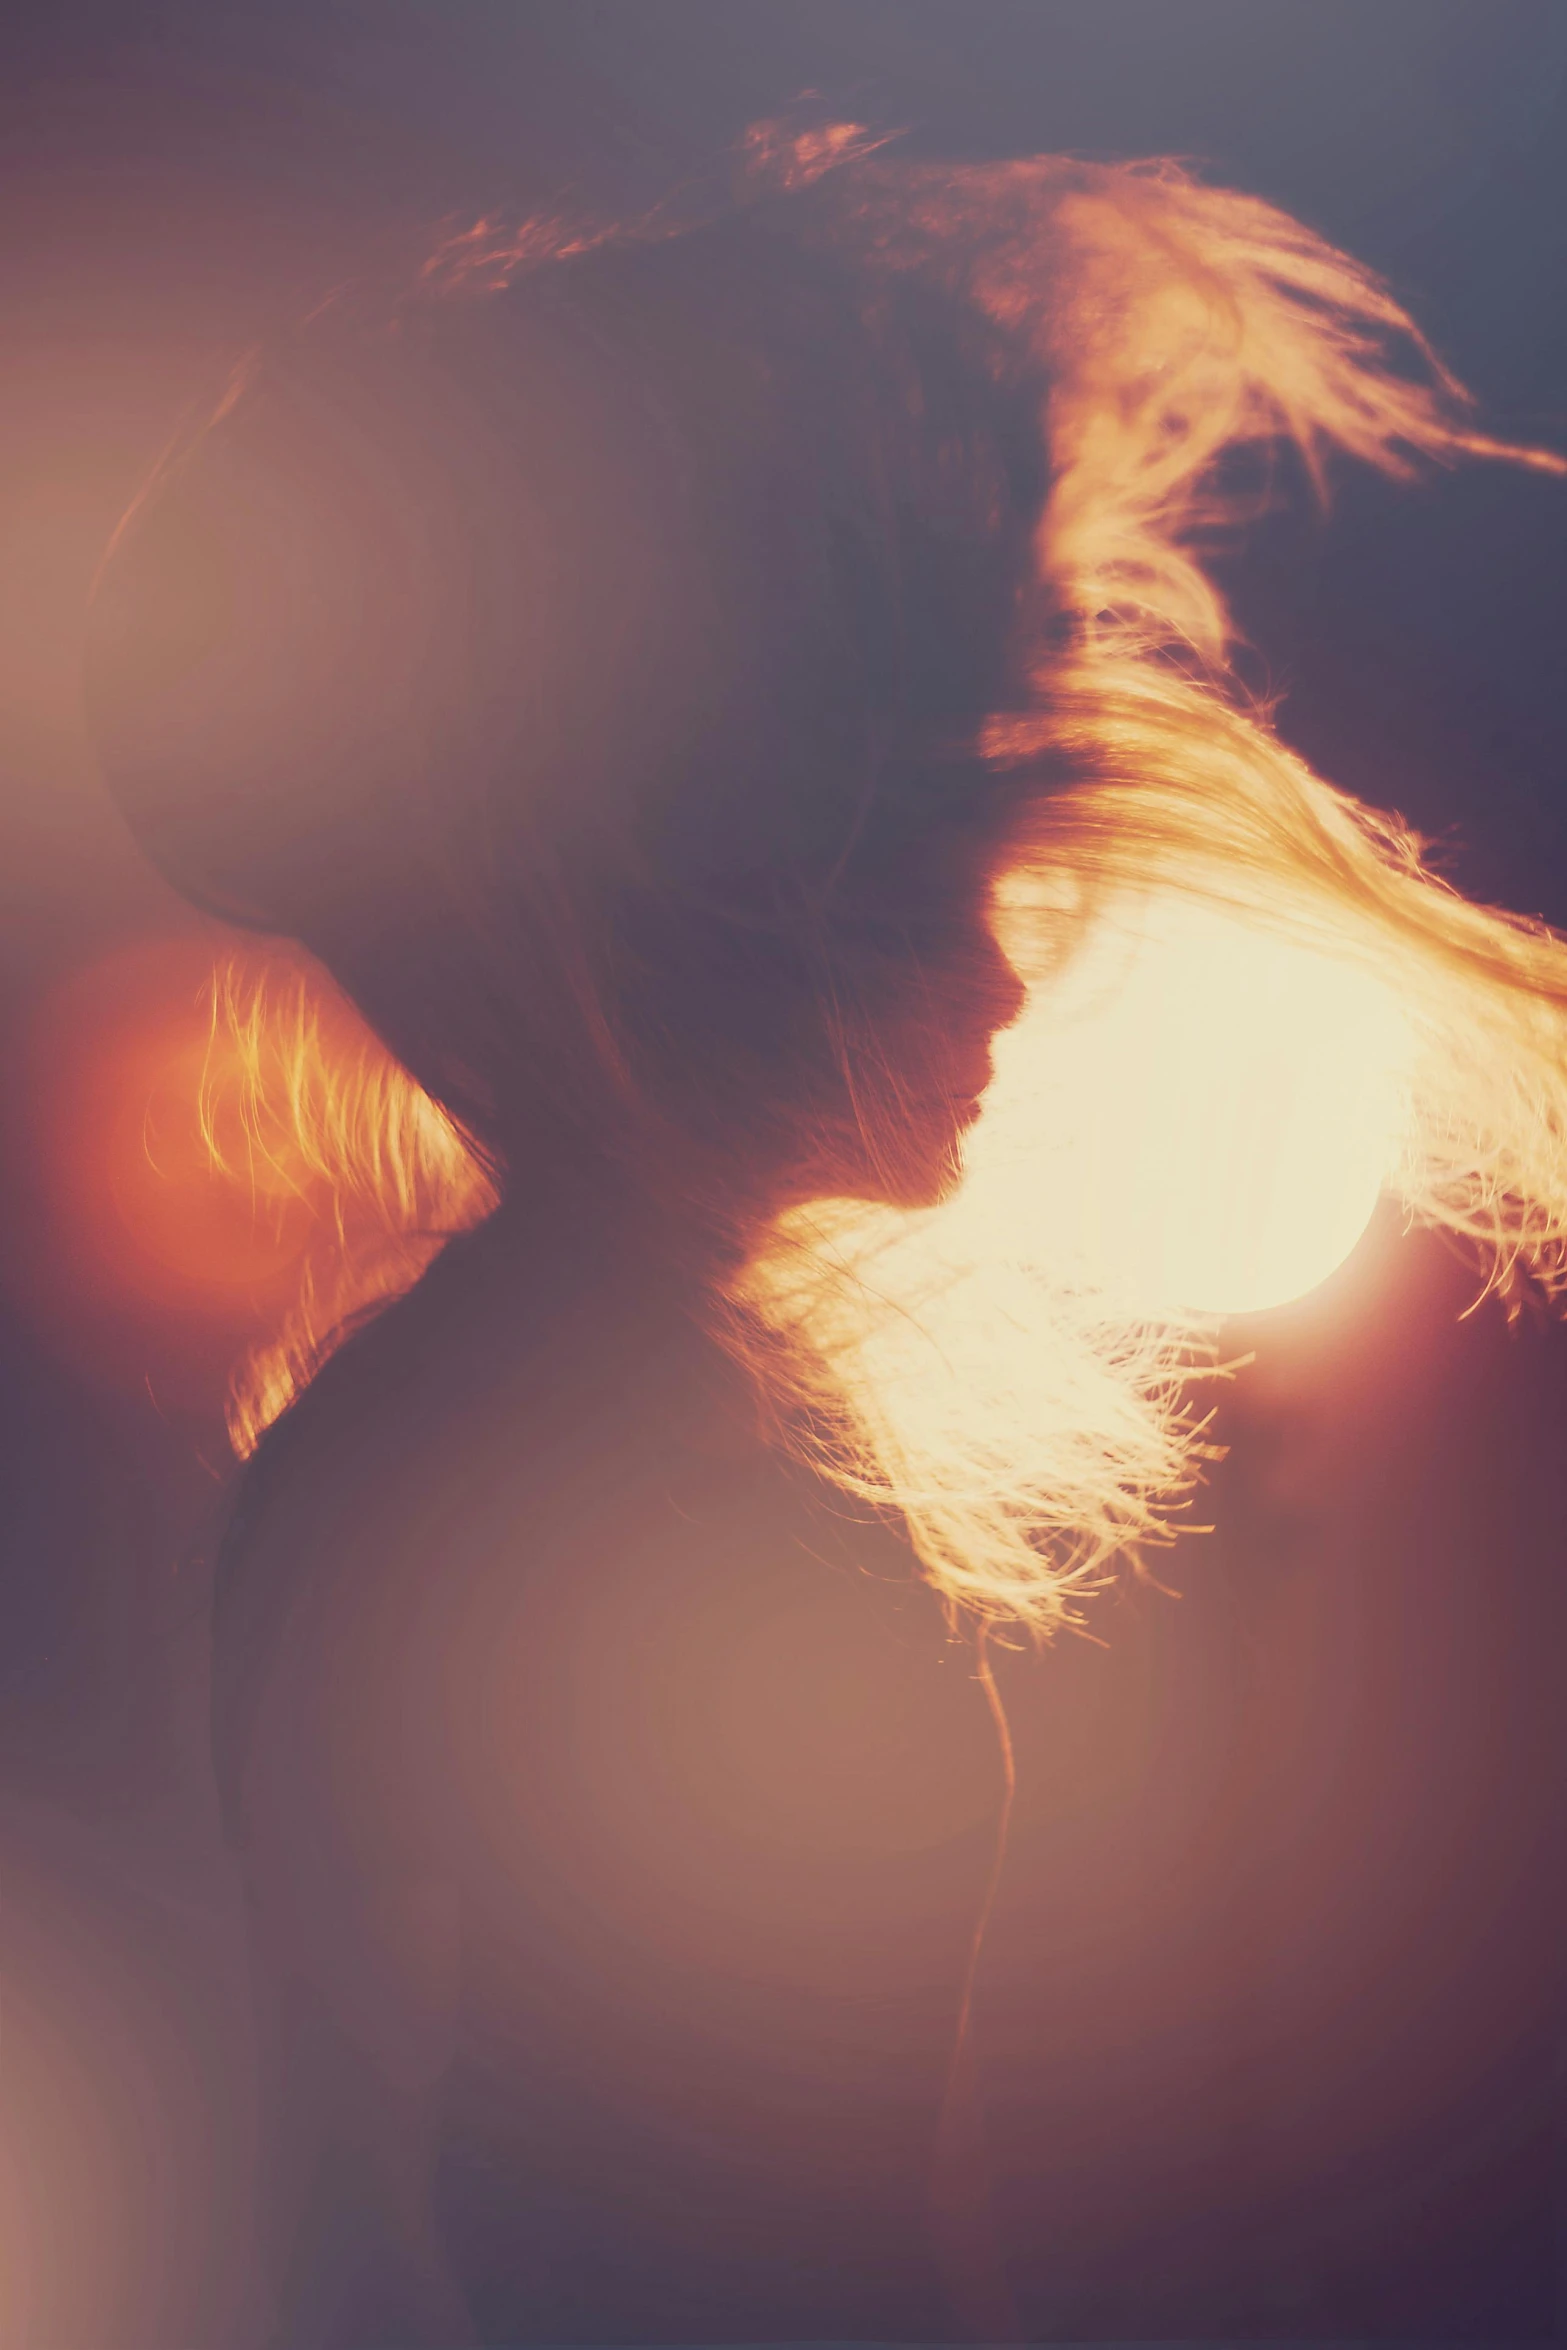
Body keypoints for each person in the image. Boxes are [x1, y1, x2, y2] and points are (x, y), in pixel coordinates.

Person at [85, 122, 1567, 2346]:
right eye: (916, 875)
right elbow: (708, 2252)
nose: (1006, 971)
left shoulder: (494, 1426)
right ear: (686, 920)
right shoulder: (648, 1494)